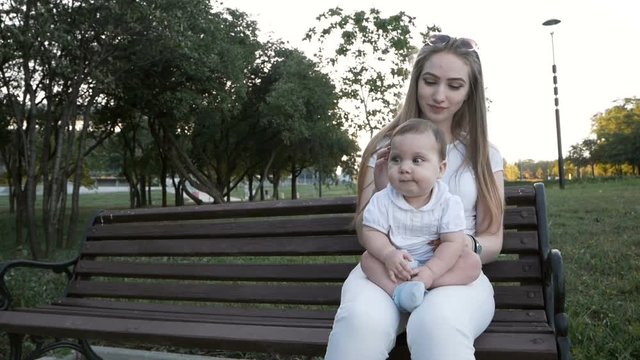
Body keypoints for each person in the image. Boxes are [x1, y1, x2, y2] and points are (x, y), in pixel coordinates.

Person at [324, 33, 505, 360]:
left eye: (454, 85)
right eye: (430, 81)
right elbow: (368, 227)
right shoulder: (384, 148)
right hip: (390, 266)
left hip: (454, 273)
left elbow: (493, 238)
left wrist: (464, 245)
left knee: (437, 324)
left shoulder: (484, 155)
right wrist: (392, 253)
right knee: (359, 322)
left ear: (469, 93)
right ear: (416, 82)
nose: (439, 95)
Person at [360, 118, 481, 313]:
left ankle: (424, 284)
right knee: (368, 260)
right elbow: (371, 233)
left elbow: (452, 243)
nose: (404, 167)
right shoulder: (382, 199)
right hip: (397, 261)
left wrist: (431, 271)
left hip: (437, 262)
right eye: (396, 159)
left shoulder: (448, 202)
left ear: (440, 169)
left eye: (417, 160)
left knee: (472, 263)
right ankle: (399, 292)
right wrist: (388, 254)